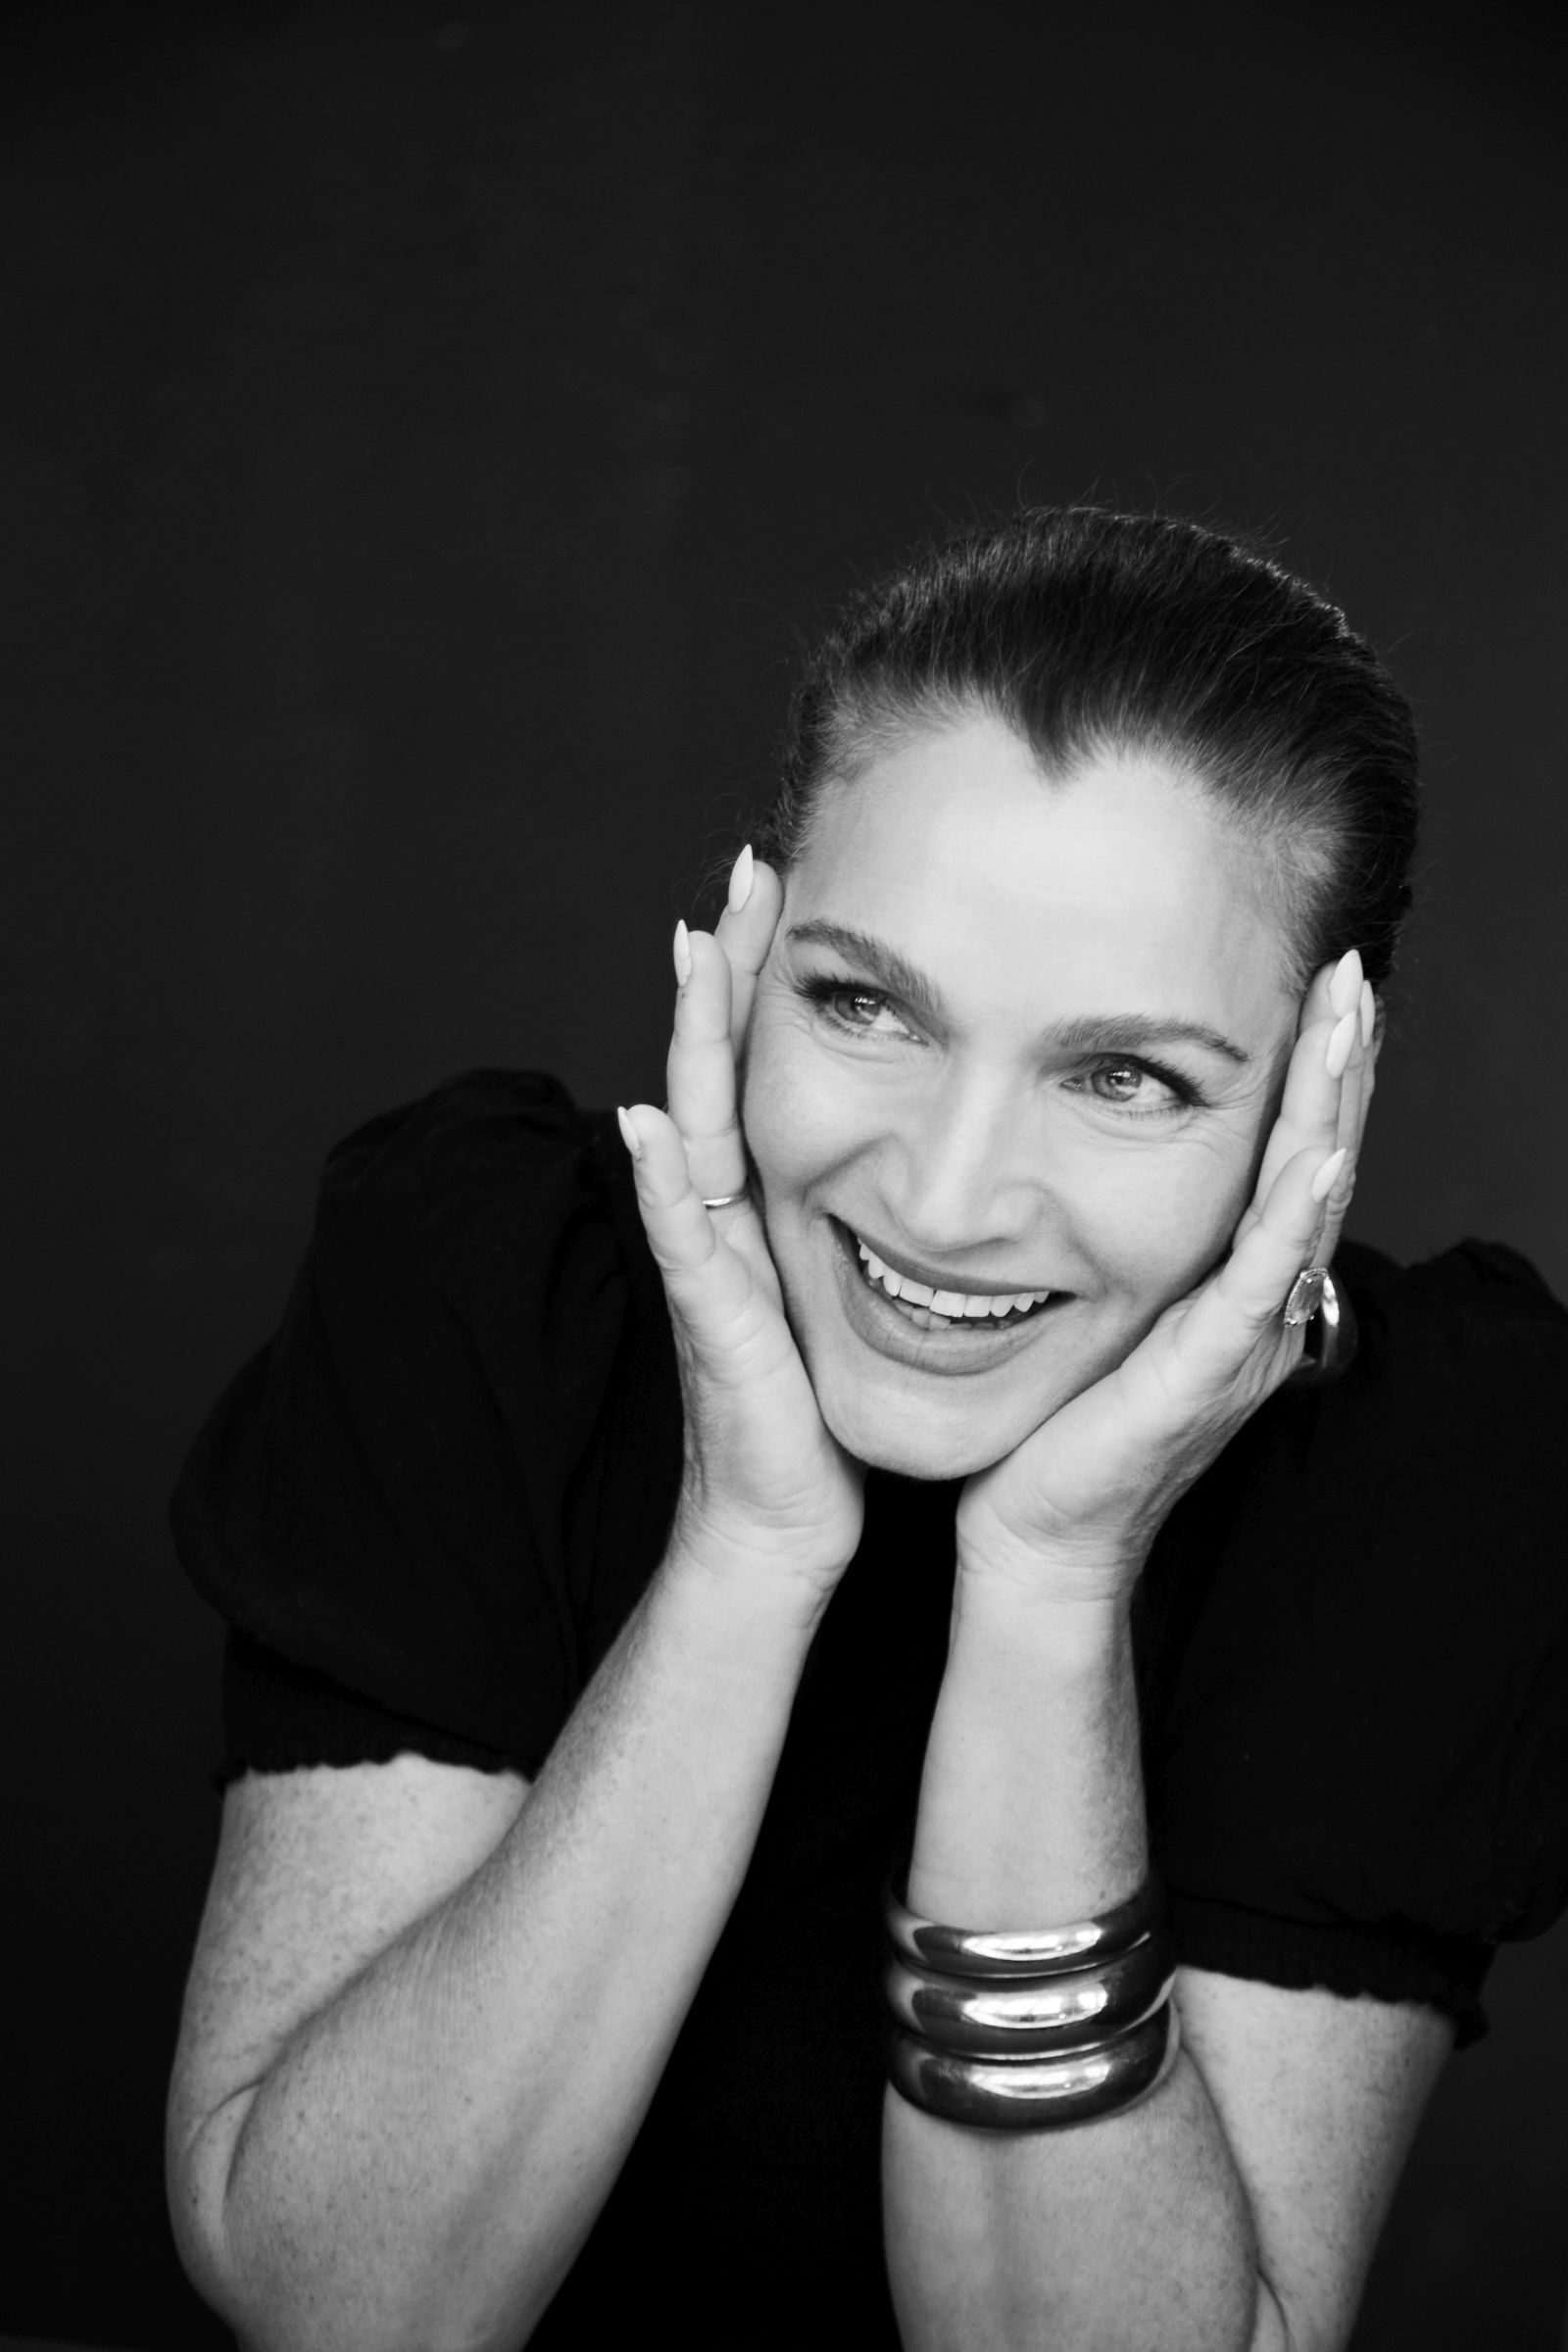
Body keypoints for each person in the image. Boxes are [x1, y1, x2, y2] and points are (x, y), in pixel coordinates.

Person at [166, 506, 1568, 2352]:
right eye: (866, 1004)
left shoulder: (1419, 1480)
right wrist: (748, 1547)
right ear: (747, 952)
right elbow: (345, 2304)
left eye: (1128, 1075)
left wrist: (1054, 1583)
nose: (949, 1194)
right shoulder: (489, 1287)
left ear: (1317, 1102)